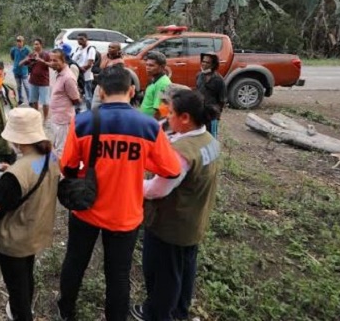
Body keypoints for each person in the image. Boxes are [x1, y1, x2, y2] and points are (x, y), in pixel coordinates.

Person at [57, 67, 183, 321]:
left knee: (75, 262)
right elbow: (172, 169)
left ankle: (66, 309)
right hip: (125, 214)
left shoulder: (82, 122)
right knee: (118, 274)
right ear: (132, 91)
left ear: (101, 92)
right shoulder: (148, 126)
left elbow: (68, 167)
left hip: (86, 209)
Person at [131, 90, 221, 321]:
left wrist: (128, 183)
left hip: (170, 226)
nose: (166, 117)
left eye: (170, 113)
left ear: (185, 118)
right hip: (193, 221)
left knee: (162, 274)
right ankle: (179, 311)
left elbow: (157, 190)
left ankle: (157, 314)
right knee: (184, 268)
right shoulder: (208, 140)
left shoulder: (181, 154)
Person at [0, 107, 60, 321]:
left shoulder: (14, 176)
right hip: (35, 233)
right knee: (25, 276)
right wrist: (13, 168)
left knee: (16, 286)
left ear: (16, 139)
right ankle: (24, 307)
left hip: (13, 241)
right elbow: (30, 174)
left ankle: (21, 313)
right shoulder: (49, 157)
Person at [48, 48, 81, 159]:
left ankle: (61, 175)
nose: (52, 63)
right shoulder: (58, 73)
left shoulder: (68, 78)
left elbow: (76, 99)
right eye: (51, 60)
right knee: (57, 146)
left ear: (63, 60)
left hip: (63, 120)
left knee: (62, 150)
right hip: (56, 118)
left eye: (55, 60)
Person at [195, 52, 227, 138]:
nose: (204, 64)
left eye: (208, 62)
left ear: (213, 65)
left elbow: (222, 99)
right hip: (200, 111)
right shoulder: (199, 76)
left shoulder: (218, 80)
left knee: (210, 137)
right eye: (203, 61)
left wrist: (217, 115)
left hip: (211, 114)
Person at [19, 38, 52, 120]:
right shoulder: (31, 55)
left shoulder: (46, 54)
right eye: (34, 44)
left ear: (41, 45)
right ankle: (36, 117)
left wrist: (40, 60)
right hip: (33, 81)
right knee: (34, 101)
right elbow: (20, 64)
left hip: (44, 82)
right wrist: (26, 59)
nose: (35, 46)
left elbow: (52, 65)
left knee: (45, 102)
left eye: (37, 44)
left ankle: (45, 119)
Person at [140, 51, 171, 118]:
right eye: (147, 65)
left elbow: (159, 110)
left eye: (151, 65)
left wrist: (152, 125)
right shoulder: (154, 79)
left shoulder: (163, 83)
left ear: (162, 67)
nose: (147, 68)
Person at [72, 33, 97, 110]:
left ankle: (90, 113)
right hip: (77, 76)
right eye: (78, 39)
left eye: (82, 39)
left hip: (86, 76)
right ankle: (78, 113)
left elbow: (90, 63)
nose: (80, 41)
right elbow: (73, 61)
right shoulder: (78, 49)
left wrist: (80, 69)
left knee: (88, 96)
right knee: (77, 95)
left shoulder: (90, 49)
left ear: (86, 39)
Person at [10, 36, 31, 105]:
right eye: (18, 41)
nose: (19, 43)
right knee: (18, 86)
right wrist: (16, 62)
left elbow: (31, 56)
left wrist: (26, 62)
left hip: (24, 71)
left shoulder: (26, 49)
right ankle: (20, 99)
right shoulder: (13, 49)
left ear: (23, 42)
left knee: (26, 86)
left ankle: (30, 100)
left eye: (20, 41)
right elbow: (12, 57)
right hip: (16, 71)